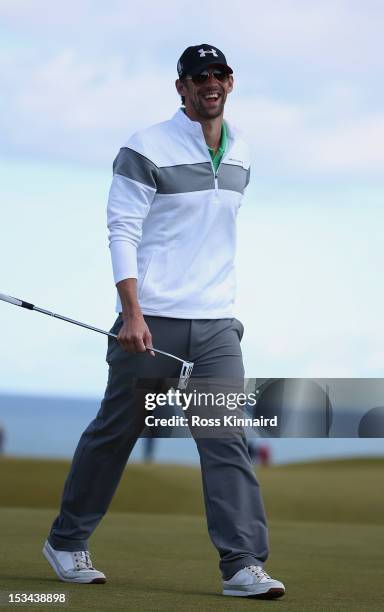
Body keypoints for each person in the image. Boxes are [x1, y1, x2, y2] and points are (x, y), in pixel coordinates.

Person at [43, 44, 285, 599]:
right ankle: (66, 540)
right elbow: (123, 229)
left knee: (226, 438)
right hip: (149, 322)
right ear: (181, 87)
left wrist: (218, 309)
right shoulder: (145, 146)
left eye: (219, 74)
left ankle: (242, 564)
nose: (210, 83)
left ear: (231, 82)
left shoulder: (243, 150)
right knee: (116, 434)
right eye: (199, 76)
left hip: (217, 324)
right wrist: (131, 313)